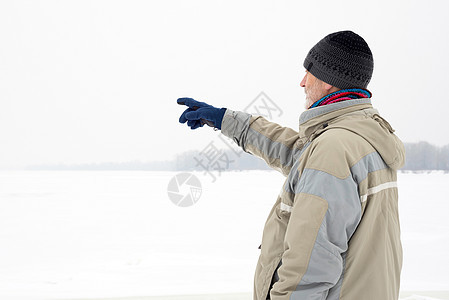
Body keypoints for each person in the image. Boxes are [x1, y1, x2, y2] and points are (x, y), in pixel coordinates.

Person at [177, 30, 405, 300]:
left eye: (309, 72)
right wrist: (225, 119)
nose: (302, 82)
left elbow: (309, 268)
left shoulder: (332, 150)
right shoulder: (361, 137)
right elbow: (295, 152)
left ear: (329, 82)